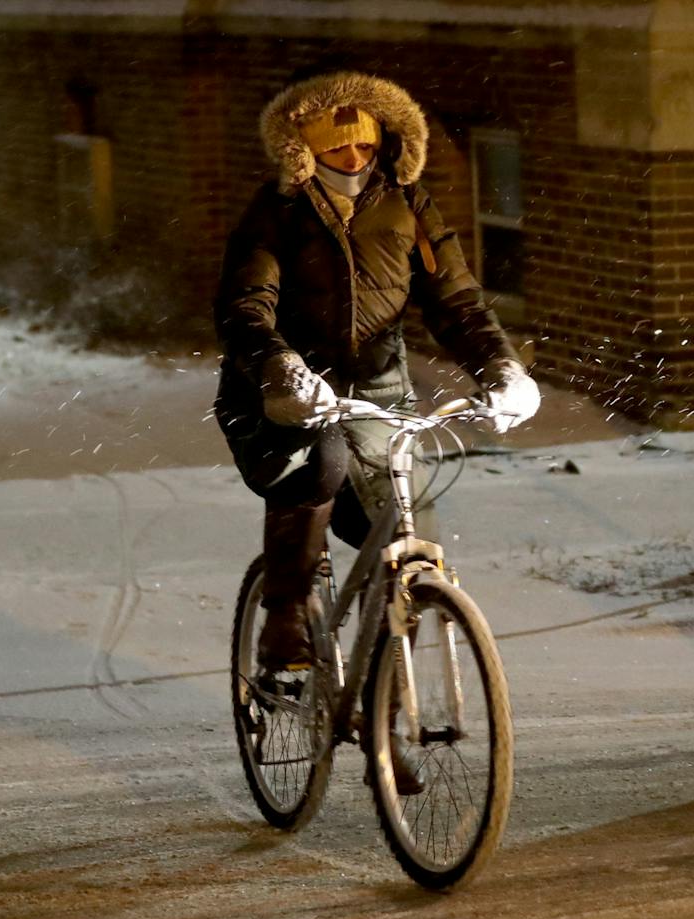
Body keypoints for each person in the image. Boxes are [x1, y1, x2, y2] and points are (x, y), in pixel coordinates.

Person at [214, 67, 539, 679]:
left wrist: (501, 367)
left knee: (409, 539)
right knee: (320, 465)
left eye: (365, 142)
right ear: (305, 147)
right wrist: (278, 365)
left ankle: (387, 696)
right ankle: (286, 614)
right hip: (280, 387)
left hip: (380, 388)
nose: (354, 155)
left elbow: (457, 302)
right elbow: (243, 307)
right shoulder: (276, 212)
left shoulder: (408, 204)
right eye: (338, 145)